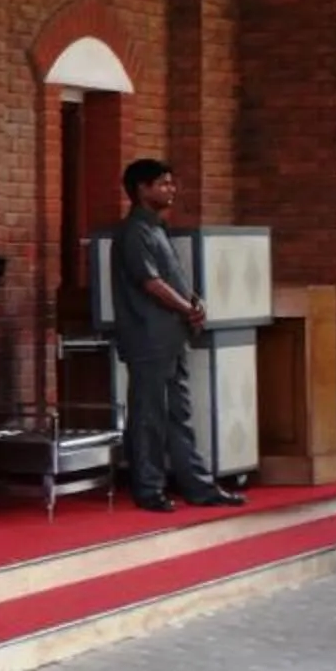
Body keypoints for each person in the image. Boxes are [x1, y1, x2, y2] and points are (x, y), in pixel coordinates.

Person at [109, 157, 244, 515]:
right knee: (149, 416)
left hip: (171, 336)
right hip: (147, 337)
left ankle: (198, 487)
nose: (171, 189)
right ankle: (148, 489)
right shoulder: (133, 231)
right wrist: (187, 307)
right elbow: (150, 282)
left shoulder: (157, 229)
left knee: (179, 414)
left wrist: (194, 303)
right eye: (163, 183)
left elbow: (172, 277)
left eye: (171, 182)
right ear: (142, 189)